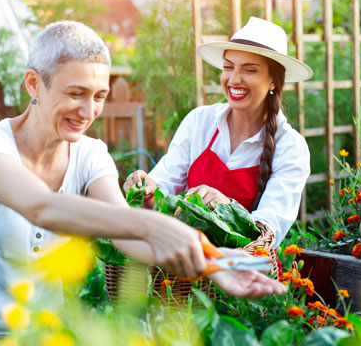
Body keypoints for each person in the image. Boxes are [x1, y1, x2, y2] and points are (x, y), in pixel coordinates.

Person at [0, 21, 285, 344]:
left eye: (99, 96)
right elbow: (42, 207)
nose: (88, 111)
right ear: (34, 83)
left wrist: (214, 262)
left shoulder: (90, 154)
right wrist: (159, 225)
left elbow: (126, 238)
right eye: (76, 93)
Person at [124, 17, 312, 248]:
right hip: (183, 268)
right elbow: (163, 188)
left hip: (246, 272)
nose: (234, 79)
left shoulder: (290, 146)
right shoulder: (199, 121)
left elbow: (269, 230)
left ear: (274, 80)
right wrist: (146, 187)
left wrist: (227, 208)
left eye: (249, 70)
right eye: (228, 66)